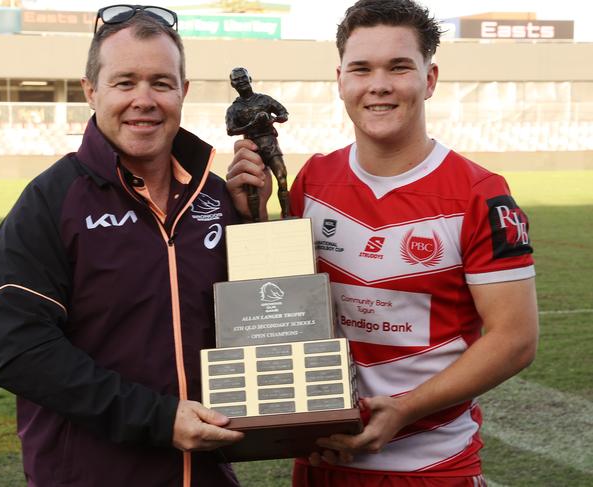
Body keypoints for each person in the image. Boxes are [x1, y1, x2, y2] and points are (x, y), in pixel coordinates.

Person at [226, 0, 539, 485]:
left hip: (430, 467)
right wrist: (256, 217)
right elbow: (283, 307)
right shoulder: (313, 180)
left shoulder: (480, 195)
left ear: (429, 79)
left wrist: (405, 410)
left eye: (399, 67)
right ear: (340, 80)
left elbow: (515, 340)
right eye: (361, 68)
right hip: (320, 461)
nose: (378, 85)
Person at [0, 5, 243, 486]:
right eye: (125, 83)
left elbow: (259, 318)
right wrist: (158, 419)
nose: (143, 99)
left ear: (183, 93)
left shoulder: (218, 197)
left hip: (206, 475)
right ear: (91, 91)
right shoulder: (49, 201)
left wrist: (256, 221)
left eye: (161, 83)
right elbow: (18, 350)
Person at [226, 67, 290, 220]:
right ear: (232, 85)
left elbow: (284, 114)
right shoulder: (233, 109)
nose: (241, 82)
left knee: (282, 177)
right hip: (251, 149)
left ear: (250, 79)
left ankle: (287, 216)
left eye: (243, 78)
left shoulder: (264, 100)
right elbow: (231, 130)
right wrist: (253, 124)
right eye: (237, 80)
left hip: (270, 144)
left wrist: (271, 119)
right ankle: (255, 220)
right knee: (251, 188)